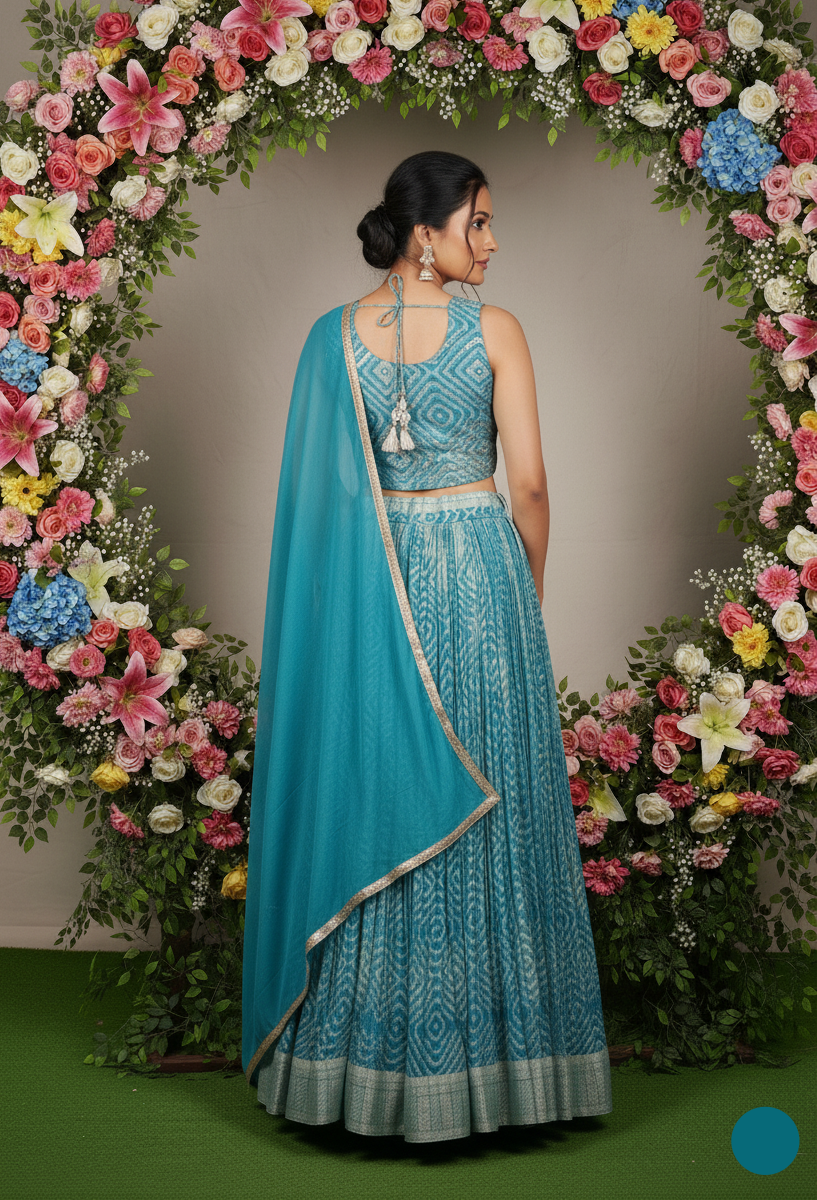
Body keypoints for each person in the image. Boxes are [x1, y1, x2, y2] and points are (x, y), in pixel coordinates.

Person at [241, 151, 613, 1142]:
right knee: (494, 800)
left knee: (378, 792)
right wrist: (522, 593)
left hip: (375, 585)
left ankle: (355, 1082)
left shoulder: (330, 339)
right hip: (478, 576)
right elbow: (528, 487)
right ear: (424, 234)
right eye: (478, 223)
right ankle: (509, 1082)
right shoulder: (496, 333)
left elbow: (316, 514)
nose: (491, 242)